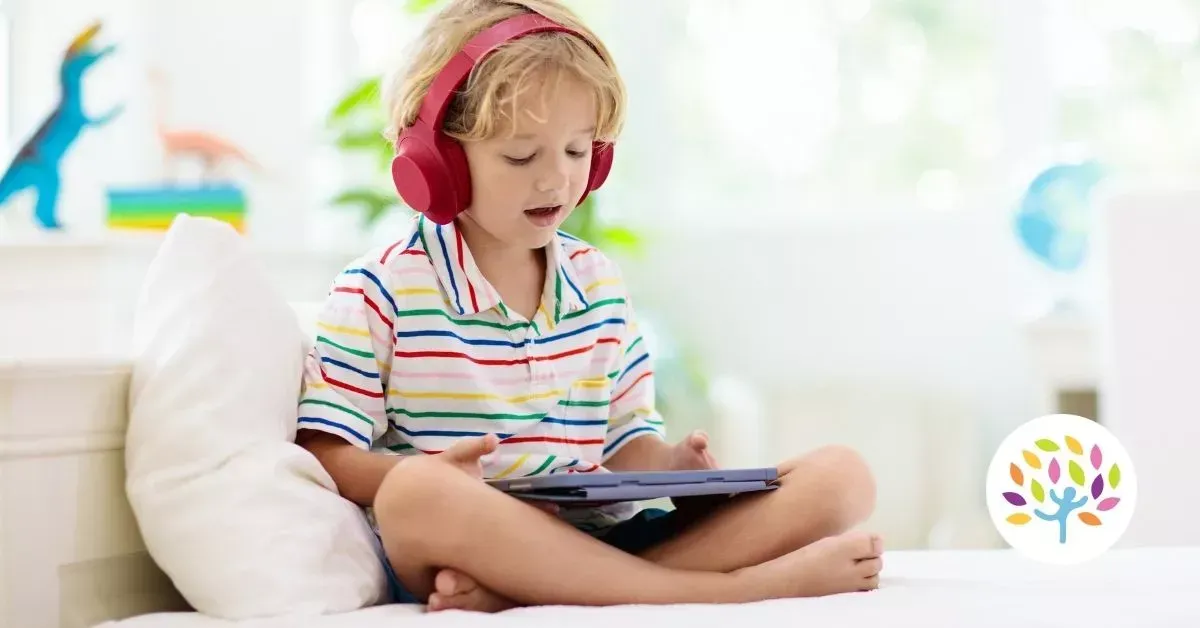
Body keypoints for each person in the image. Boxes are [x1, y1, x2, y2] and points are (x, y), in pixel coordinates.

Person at [296, 0, 882, 613]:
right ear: (437, 161)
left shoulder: (596, 281)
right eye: (521, 156)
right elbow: (325, 452)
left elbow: (625, 445)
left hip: (602, 541)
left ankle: (527, 595)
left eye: (578, 152)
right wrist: (437, 475)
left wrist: (674, 466)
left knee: (843, 475)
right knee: (414, 495)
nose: (555, 181)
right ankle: (731, 589)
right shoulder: (379, 289)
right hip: (469, 540)